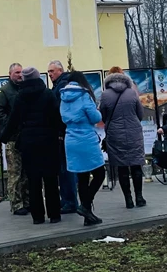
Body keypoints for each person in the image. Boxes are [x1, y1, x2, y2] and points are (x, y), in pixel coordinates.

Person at [2, 67, 62, 225]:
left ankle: (38, 217)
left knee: (33, 181)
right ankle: (54, 214)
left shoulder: (20, 96)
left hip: (29, 143)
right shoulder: (48, 94)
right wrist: (61, 133)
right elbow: (57, 117)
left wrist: (4, 137)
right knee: (50, 180)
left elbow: (13, 120)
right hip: (49, 142)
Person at [59, 74, 105, 226]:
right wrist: (98, 111)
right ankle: (85, 206)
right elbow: (95, 117)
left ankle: (88, 217)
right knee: (99, 174)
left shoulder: (63, 96)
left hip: (70, 139)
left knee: (83, 178)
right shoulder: (84, 95)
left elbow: (63, 118)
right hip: (86, 139)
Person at [100, 70, 147, 209]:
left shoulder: (105, 94)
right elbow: (140, 113)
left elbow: (102, 115)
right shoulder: (132, 92)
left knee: (122, 168)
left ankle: (128, 200)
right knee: (136, 165)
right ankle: (139, 197)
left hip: (115, 134)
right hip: (134, 134)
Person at [0, 62, 29, 216]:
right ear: (10, 74)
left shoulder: (25, 89)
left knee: (26, 173)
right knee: (15, 174)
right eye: (17, 73)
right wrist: (12, 123)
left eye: (21, 73)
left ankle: (27, 201)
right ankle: (16, 204)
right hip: (13, 139)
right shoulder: (4, 92)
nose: (20, 75)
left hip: (26, 137)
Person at [46, 60, 79, 215]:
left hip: (63, 133)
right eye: (49, 72)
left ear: (60, 70)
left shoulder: (62, 87)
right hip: (64, 132)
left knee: (66, 169)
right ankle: (66, 199)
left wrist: (59, 131)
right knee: (64, 168)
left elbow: (59, 111)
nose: (50, 74)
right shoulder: (61, 85)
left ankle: (70, 201)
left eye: (52, 71)